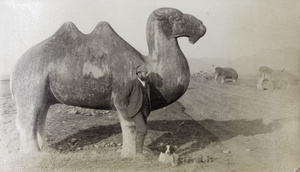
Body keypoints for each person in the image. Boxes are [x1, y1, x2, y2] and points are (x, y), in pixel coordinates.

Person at [119, 64, 151, 157]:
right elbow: (123, 97)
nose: (146, 75)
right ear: (139, 74)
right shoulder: (132, 83)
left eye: (146, 73)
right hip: (136, 111)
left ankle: (138, 150)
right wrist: (128, 108)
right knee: (142, 130)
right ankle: (139, 154)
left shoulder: (147, 84)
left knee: (143, 131)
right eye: (145, 73)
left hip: (145, 111)